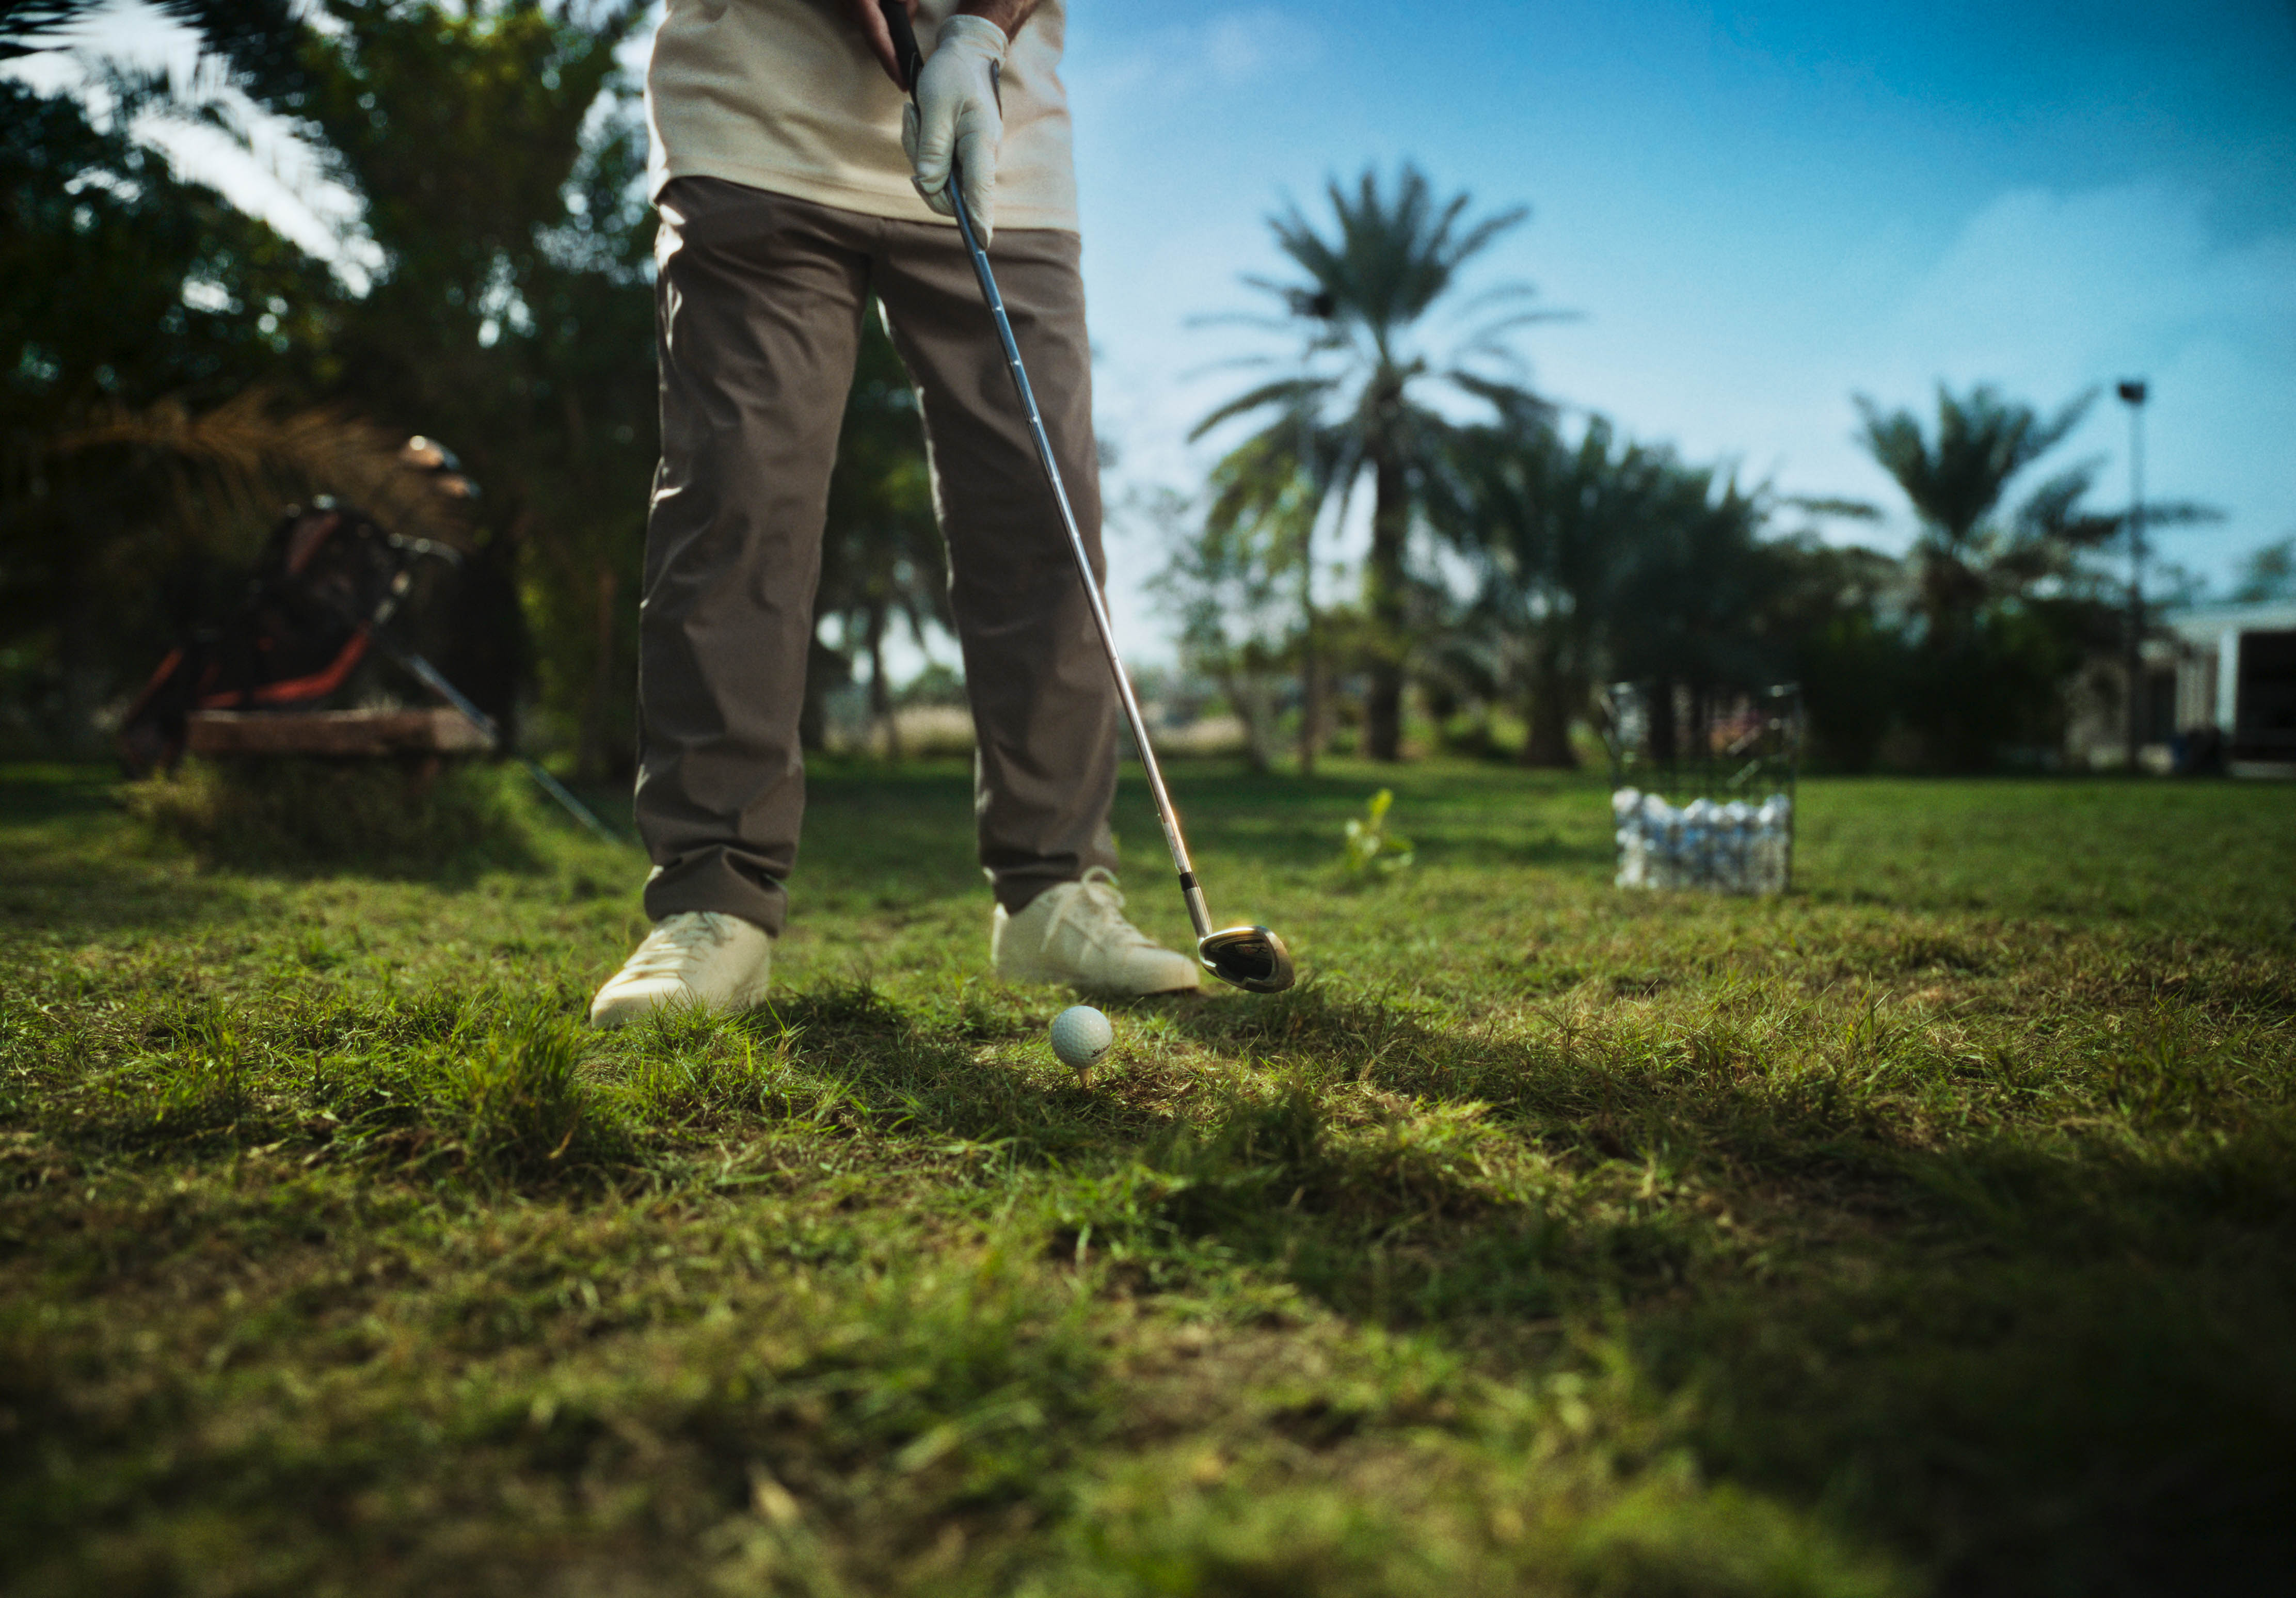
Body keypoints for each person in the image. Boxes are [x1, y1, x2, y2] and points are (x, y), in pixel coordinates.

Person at [588, 0, 1198, 1027]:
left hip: (999, 143)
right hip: (755, 123)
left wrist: (980, 32)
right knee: (741, 502)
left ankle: (1054, 892)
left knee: (1042, 515)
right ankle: (713, 901)